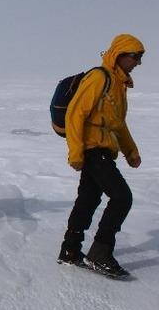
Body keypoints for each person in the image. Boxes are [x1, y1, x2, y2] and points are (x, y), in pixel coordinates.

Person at [57, 34, 145, 278]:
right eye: (135, 57)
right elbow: (75, 114)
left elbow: (118, 124)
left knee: (87, 200)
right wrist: (75, 152)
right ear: (120, 54)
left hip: (105, 149)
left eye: (140, 58)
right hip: (93, 150)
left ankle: (70, 251)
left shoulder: (118, 84)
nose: (138, 62)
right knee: (121, 197)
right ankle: (100, 252)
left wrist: (131, 152)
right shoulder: (100, 77)